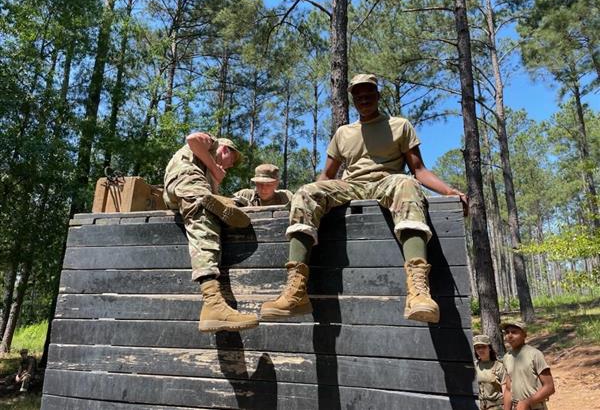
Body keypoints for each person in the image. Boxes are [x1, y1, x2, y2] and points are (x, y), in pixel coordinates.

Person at [260, 73, 468, 323]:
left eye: (369, 92)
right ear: (353, 100)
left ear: (378, 95)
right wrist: (302, 201)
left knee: (406, 183)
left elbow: (419, 170)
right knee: (305, 192)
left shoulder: (399, 126)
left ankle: (418, 292)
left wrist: (448, 191)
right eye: (358, 94)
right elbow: (326, 175)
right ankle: (295, 292)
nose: (364, 97)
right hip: (351, 186)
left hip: (387, 181)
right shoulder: (343, 133)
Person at [163, 132, 259, 332]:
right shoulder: (213, 145)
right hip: (186, 179)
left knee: (209, 209)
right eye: (231, 159)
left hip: (182, 191)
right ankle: (213, 303)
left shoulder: (207, 169)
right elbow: (192, 139)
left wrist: (215, 182)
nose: (231, 165)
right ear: (224, 149)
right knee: (203, 216)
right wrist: (215, 169)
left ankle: (225, 202)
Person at [502, 320, 555, 410]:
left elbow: (549, 387)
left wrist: (527, 402)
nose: (509, 336)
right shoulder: (507, 357)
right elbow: (508, 388)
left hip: (535, 407)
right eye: (507, 332)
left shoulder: (534, 354)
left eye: (514, 332)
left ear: (524, 335)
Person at [474, 334, 506, 410]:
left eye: (483, 347)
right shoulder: (475, 366)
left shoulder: (499, 366)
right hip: (482, 407)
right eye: (478, 347)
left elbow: (506, 391)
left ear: (489, 348)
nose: (480, 350)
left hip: (498, 407)